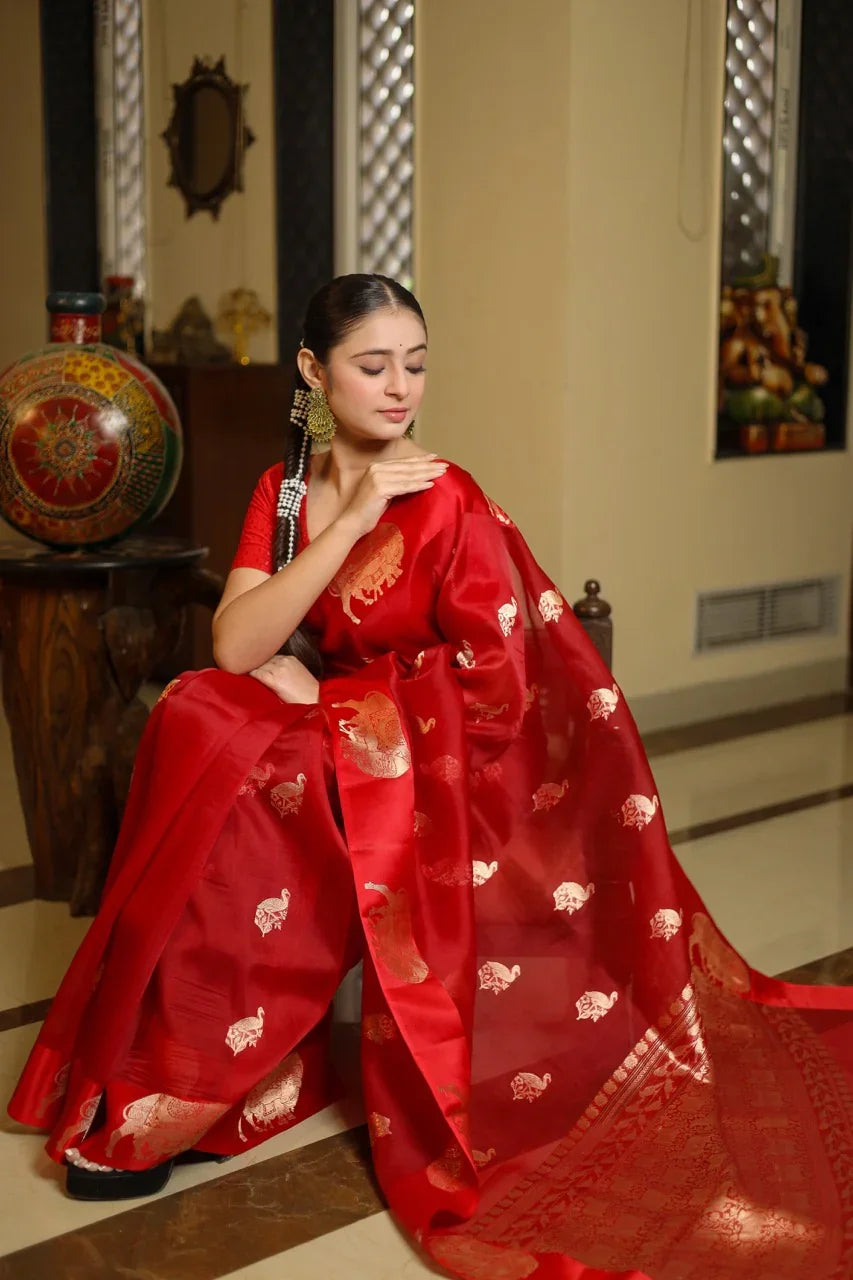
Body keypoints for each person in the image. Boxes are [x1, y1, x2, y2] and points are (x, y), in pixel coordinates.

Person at [9, 274, 853, 1280]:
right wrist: (346, 521)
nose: (400, 386)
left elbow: (503, 679)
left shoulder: (446, 496)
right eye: (373, 366)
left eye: (414, 363)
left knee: (261, 776)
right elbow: (236, 643)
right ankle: (173, 1069)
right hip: (342, 726)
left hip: (439, 755)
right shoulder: (286, 490)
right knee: (201, 716)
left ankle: (196, 1080)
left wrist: (345, 699)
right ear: (316, 373)